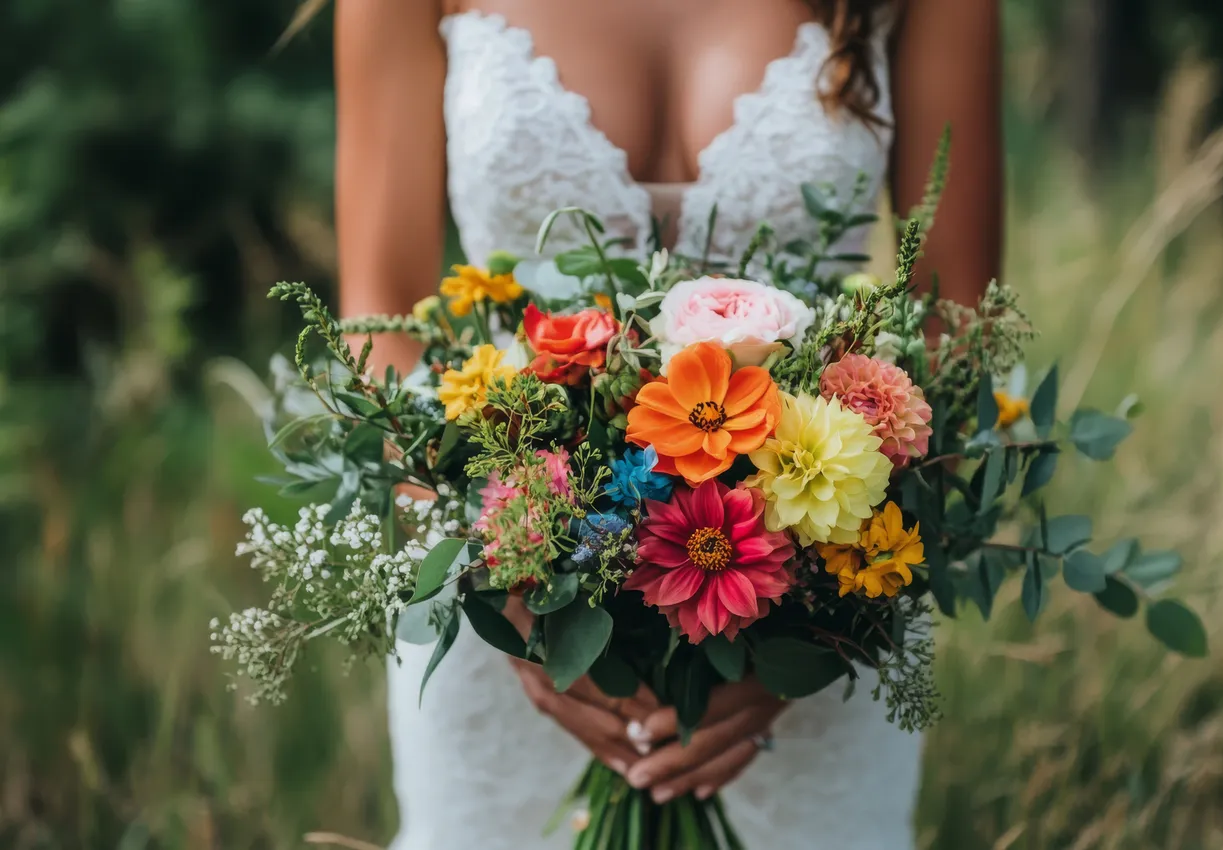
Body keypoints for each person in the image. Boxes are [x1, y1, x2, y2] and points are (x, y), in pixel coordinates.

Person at [335, 0, 1000, 846]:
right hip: (506, 595)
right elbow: (382, 319)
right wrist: (500, 586)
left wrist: (817, 630)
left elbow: (957, 324)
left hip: (820, 599)